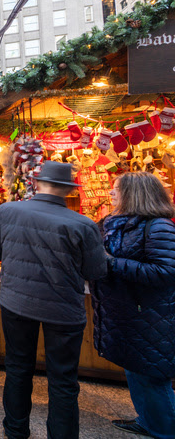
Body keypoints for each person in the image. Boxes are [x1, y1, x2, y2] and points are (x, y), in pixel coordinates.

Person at [0, 161, 107, 439]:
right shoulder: (84, 224)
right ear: (67, 190)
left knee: (17, 367)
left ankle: (15, 429)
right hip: (63, 308)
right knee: (63, 380)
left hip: (17, 303)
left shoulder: (8, 211)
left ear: (37, 184)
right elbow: (96, 271)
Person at [92, 172, 175, 438]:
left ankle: (164, 429)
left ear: (134, 193)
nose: (111, 193)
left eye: (116, 189)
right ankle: (149, 421)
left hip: (151, 315)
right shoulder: (116, 223)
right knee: (137, 370)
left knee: (152, 374)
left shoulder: (159, 226)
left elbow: (165, 272)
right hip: (129, 313)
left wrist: (112, 263)